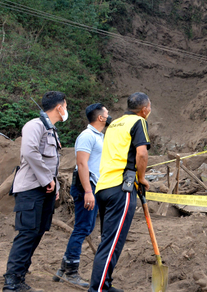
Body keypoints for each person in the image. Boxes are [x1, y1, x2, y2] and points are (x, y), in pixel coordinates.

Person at [4, 91, 67, 292]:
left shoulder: (52, 130)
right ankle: (11, 282)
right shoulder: (35, 125)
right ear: (59, 107)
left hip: (45, 190)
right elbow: (29, 152)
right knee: (27, 233)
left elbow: (51, 162)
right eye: (65, 105)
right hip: (31, 188)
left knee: (38, 232)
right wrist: (47, 179)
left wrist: (54, 183)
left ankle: (21, 275)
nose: (66, 109)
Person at [88, 92, 151, 292]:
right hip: (121, 188)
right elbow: (141, 153)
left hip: (103, 187)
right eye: (149, 108)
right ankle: (98, 289)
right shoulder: (138, 122)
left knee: (108, 239)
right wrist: (141, 178)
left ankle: (105, 284)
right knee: (112, 243)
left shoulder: (114, 124)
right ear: (144, 109)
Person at [54, 103, 112, 287]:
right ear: (100, 118)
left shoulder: (98, 136)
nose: (109, 115)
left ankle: (63, 269)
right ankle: (71, 272)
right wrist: (88, 191)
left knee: (84, 228)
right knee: (82, 228)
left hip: (92, 186)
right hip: (86, 188)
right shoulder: (87, 136)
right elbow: (82, 164)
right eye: (107, 113)